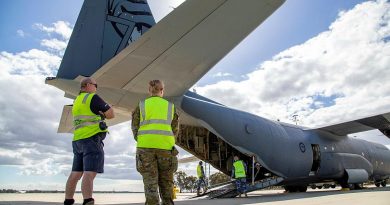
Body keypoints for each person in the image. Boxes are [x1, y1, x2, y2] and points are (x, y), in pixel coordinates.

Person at [64, 77, 115, 205]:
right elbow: (111, 114)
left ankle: (68, 200)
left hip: (77, 140)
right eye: (95, 85)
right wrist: (102, 115)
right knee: (89, 173)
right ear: (87, 85)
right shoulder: (92, 97)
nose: (96, 87)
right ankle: (88, 200)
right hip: (91, 139)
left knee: (75, 174)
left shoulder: (76, 101)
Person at [132, 79, 179, 205]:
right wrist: (165, 139)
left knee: (150, 186)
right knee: (166, 186)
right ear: (162, 90)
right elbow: (175, 129)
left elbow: (135, 128)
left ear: (149, 90)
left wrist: (144, 139)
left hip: (145, 148)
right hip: (166, 149)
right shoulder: (170, 107)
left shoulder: (141, 105)